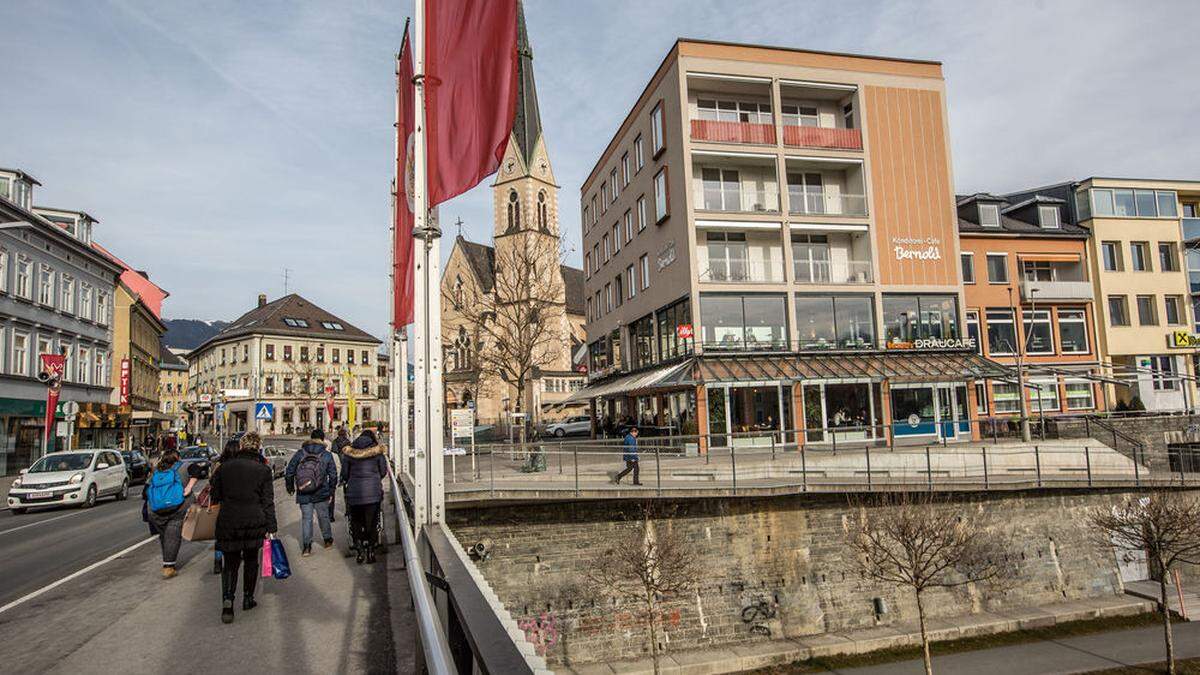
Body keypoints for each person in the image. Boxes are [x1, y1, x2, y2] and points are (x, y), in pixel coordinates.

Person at [210, 432, 277, 624]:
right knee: (250, 560)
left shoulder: (224, 468)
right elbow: (268, 501)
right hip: (254, 521)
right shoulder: (263, 470)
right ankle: (248, 598)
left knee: (230, 563)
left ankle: (228, 601)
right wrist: (272, 526)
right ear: (258, 447)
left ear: (241, 446)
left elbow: (215, 495)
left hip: (229, 520)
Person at [145, 449, 203, 578]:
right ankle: (168, 567)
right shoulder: (183, 466)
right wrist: (189, 487)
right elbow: (197, 470)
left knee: (164, 536)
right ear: (177, 458)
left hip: (155, 510)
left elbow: (146, 491)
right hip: (177, 507)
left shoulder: (156, 471)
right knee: (173, 534)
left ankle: (167, 559)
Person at [285, 429, 338, 556]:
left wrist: (290, 487)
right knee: (323, 516)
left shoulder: (300, 453)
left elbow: (289, 471)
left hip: (303, 491)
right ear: (322, 439)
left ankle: (307, 547)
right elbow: (333, 474)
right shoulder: (326, 454)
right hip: (321, 491)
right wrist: (331, 490)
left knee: (306, 519)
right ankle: (327, 540)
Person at [340, 429, 388, 564]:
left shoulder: (349, 453)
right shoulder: (377, 452)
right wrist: (374, 478)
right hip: (373, 493)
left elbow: (344, 474)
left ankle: (360, 550)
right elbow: (383, 472)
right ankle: (371, 551)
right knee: (372, 522)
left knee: (356, 522)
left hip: (354, 493)